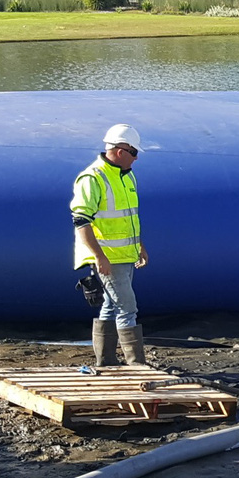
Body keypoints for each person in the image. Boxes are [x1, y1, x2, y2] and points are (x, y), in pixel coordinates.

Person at [71, 123, 149, 367]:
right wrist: (98, 257)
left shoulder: (126, 176)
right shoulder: (93, 178)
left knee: (111, 306)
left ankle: (105, 362)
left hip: (125, 254)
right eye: (134, 153)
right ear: (119, 151)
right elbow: (81, 221)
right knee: (128, 308)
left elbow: (129, 217)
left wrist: (139, 246)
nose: (136, 159)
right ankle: (136, 365)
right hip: (108, 258)